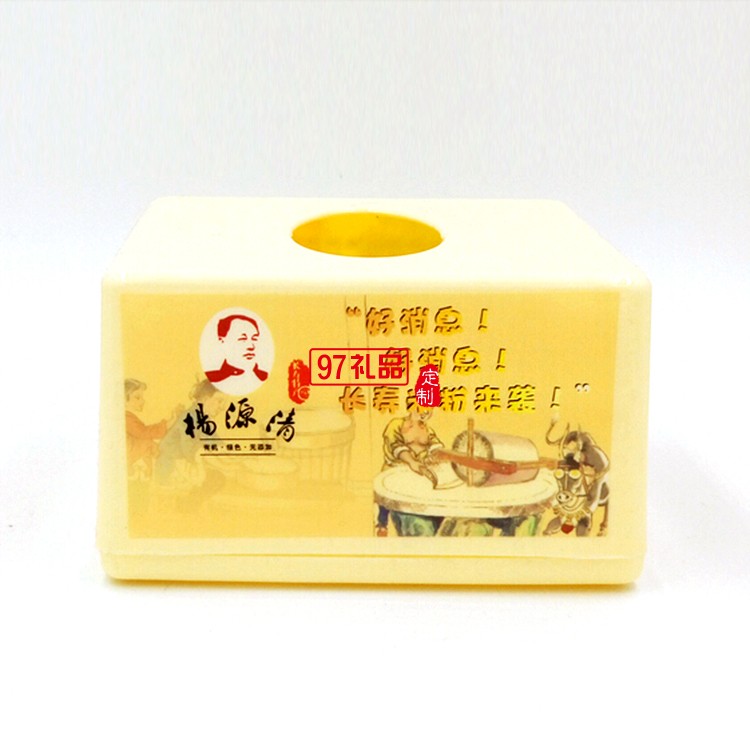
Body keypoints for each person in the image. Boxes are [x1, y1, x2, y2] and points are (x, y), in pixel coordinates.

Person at [376, 409, 444, 536]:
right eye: (422, 408)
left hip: (417, 475)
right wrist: (411, 462)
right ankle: (382, 523)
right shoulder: (396, 424)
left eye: (429, 410)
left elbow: (435, 445)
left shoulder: (427, 429)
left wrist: (436, 455)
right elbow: (395, 446)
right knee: (386, 501)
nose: (425, 413)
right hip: (396, 471)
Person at [124, 379, 170, 480]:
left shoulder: (129, 416)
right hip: (133, 469)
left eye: (142, 397)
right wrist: (166, 425)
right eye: (137, 397)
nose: (142, 401)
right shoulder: (126, 418)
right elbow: (143, 432)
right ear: (124, 400)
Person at [205, 314, 269, 386]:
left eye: (254, 339)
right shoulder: (209, 381)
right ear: (222, 341)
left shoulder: (266, 377)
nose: (251, 346)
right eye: (242, 339)